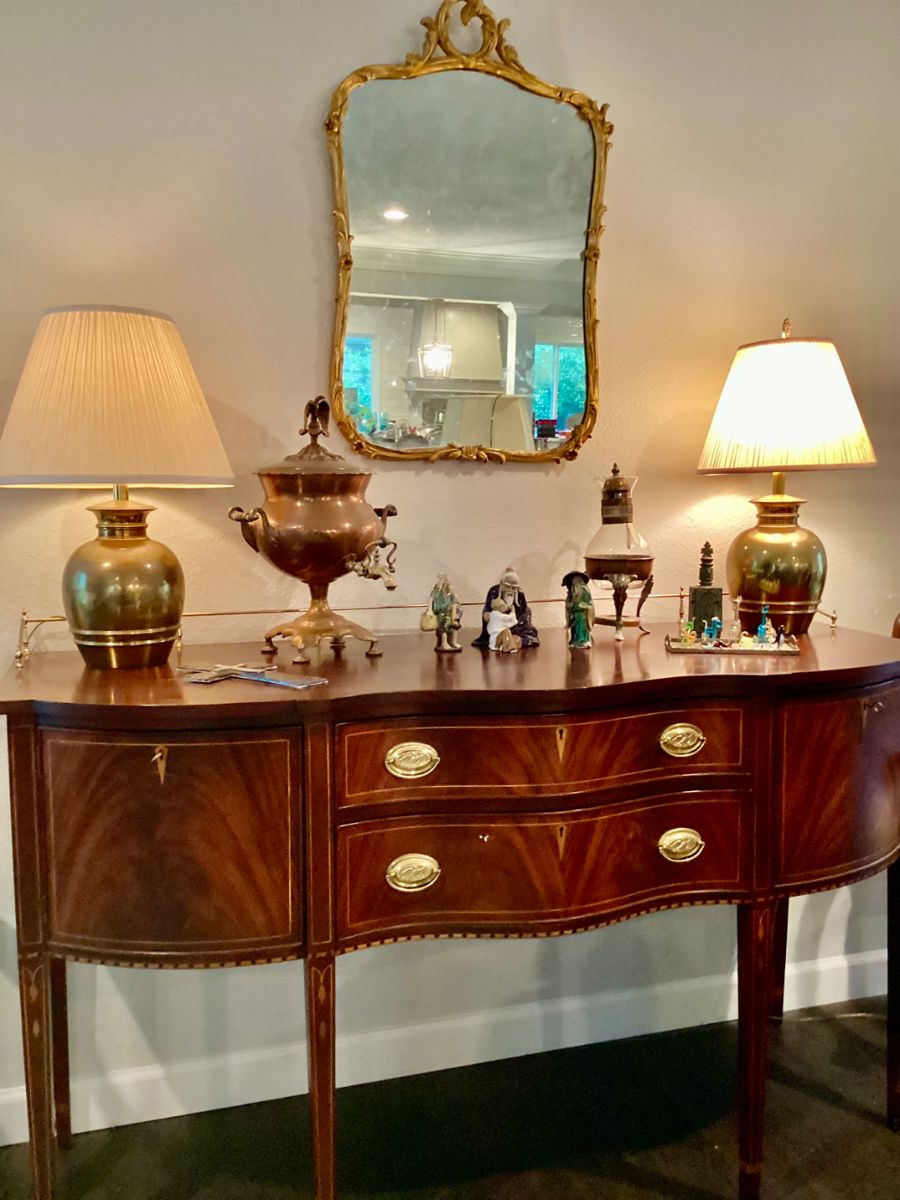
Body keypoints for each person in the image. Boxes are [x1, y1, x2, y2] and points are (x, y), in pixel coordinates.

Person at [472, 567, 539, 648]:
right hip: (499, 626)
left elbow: (524, 611)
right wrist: (487, 615)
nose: (510, 590)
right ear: (501, 583)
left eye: (513, 588)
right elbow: (488, 609)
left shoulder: (520, 594)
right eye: (507, 586)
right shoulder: (494, 591)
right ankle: (508, 643)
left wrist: (519, 622)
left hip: (517, 625)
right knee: (502, 632)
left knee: (529, 633)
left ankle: (512, 641)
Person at [562, 570, 594, 648]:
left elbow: (588, 604)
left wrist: (581, 606)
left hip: (582, 614)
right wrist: (569, 606)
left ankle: (582, 641)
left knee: (581, 627)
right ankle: (575, 640)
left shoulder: (585, 592)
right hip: (574, 614)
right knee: (574, 628)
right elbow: (568, 603)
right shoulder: (571, 593)